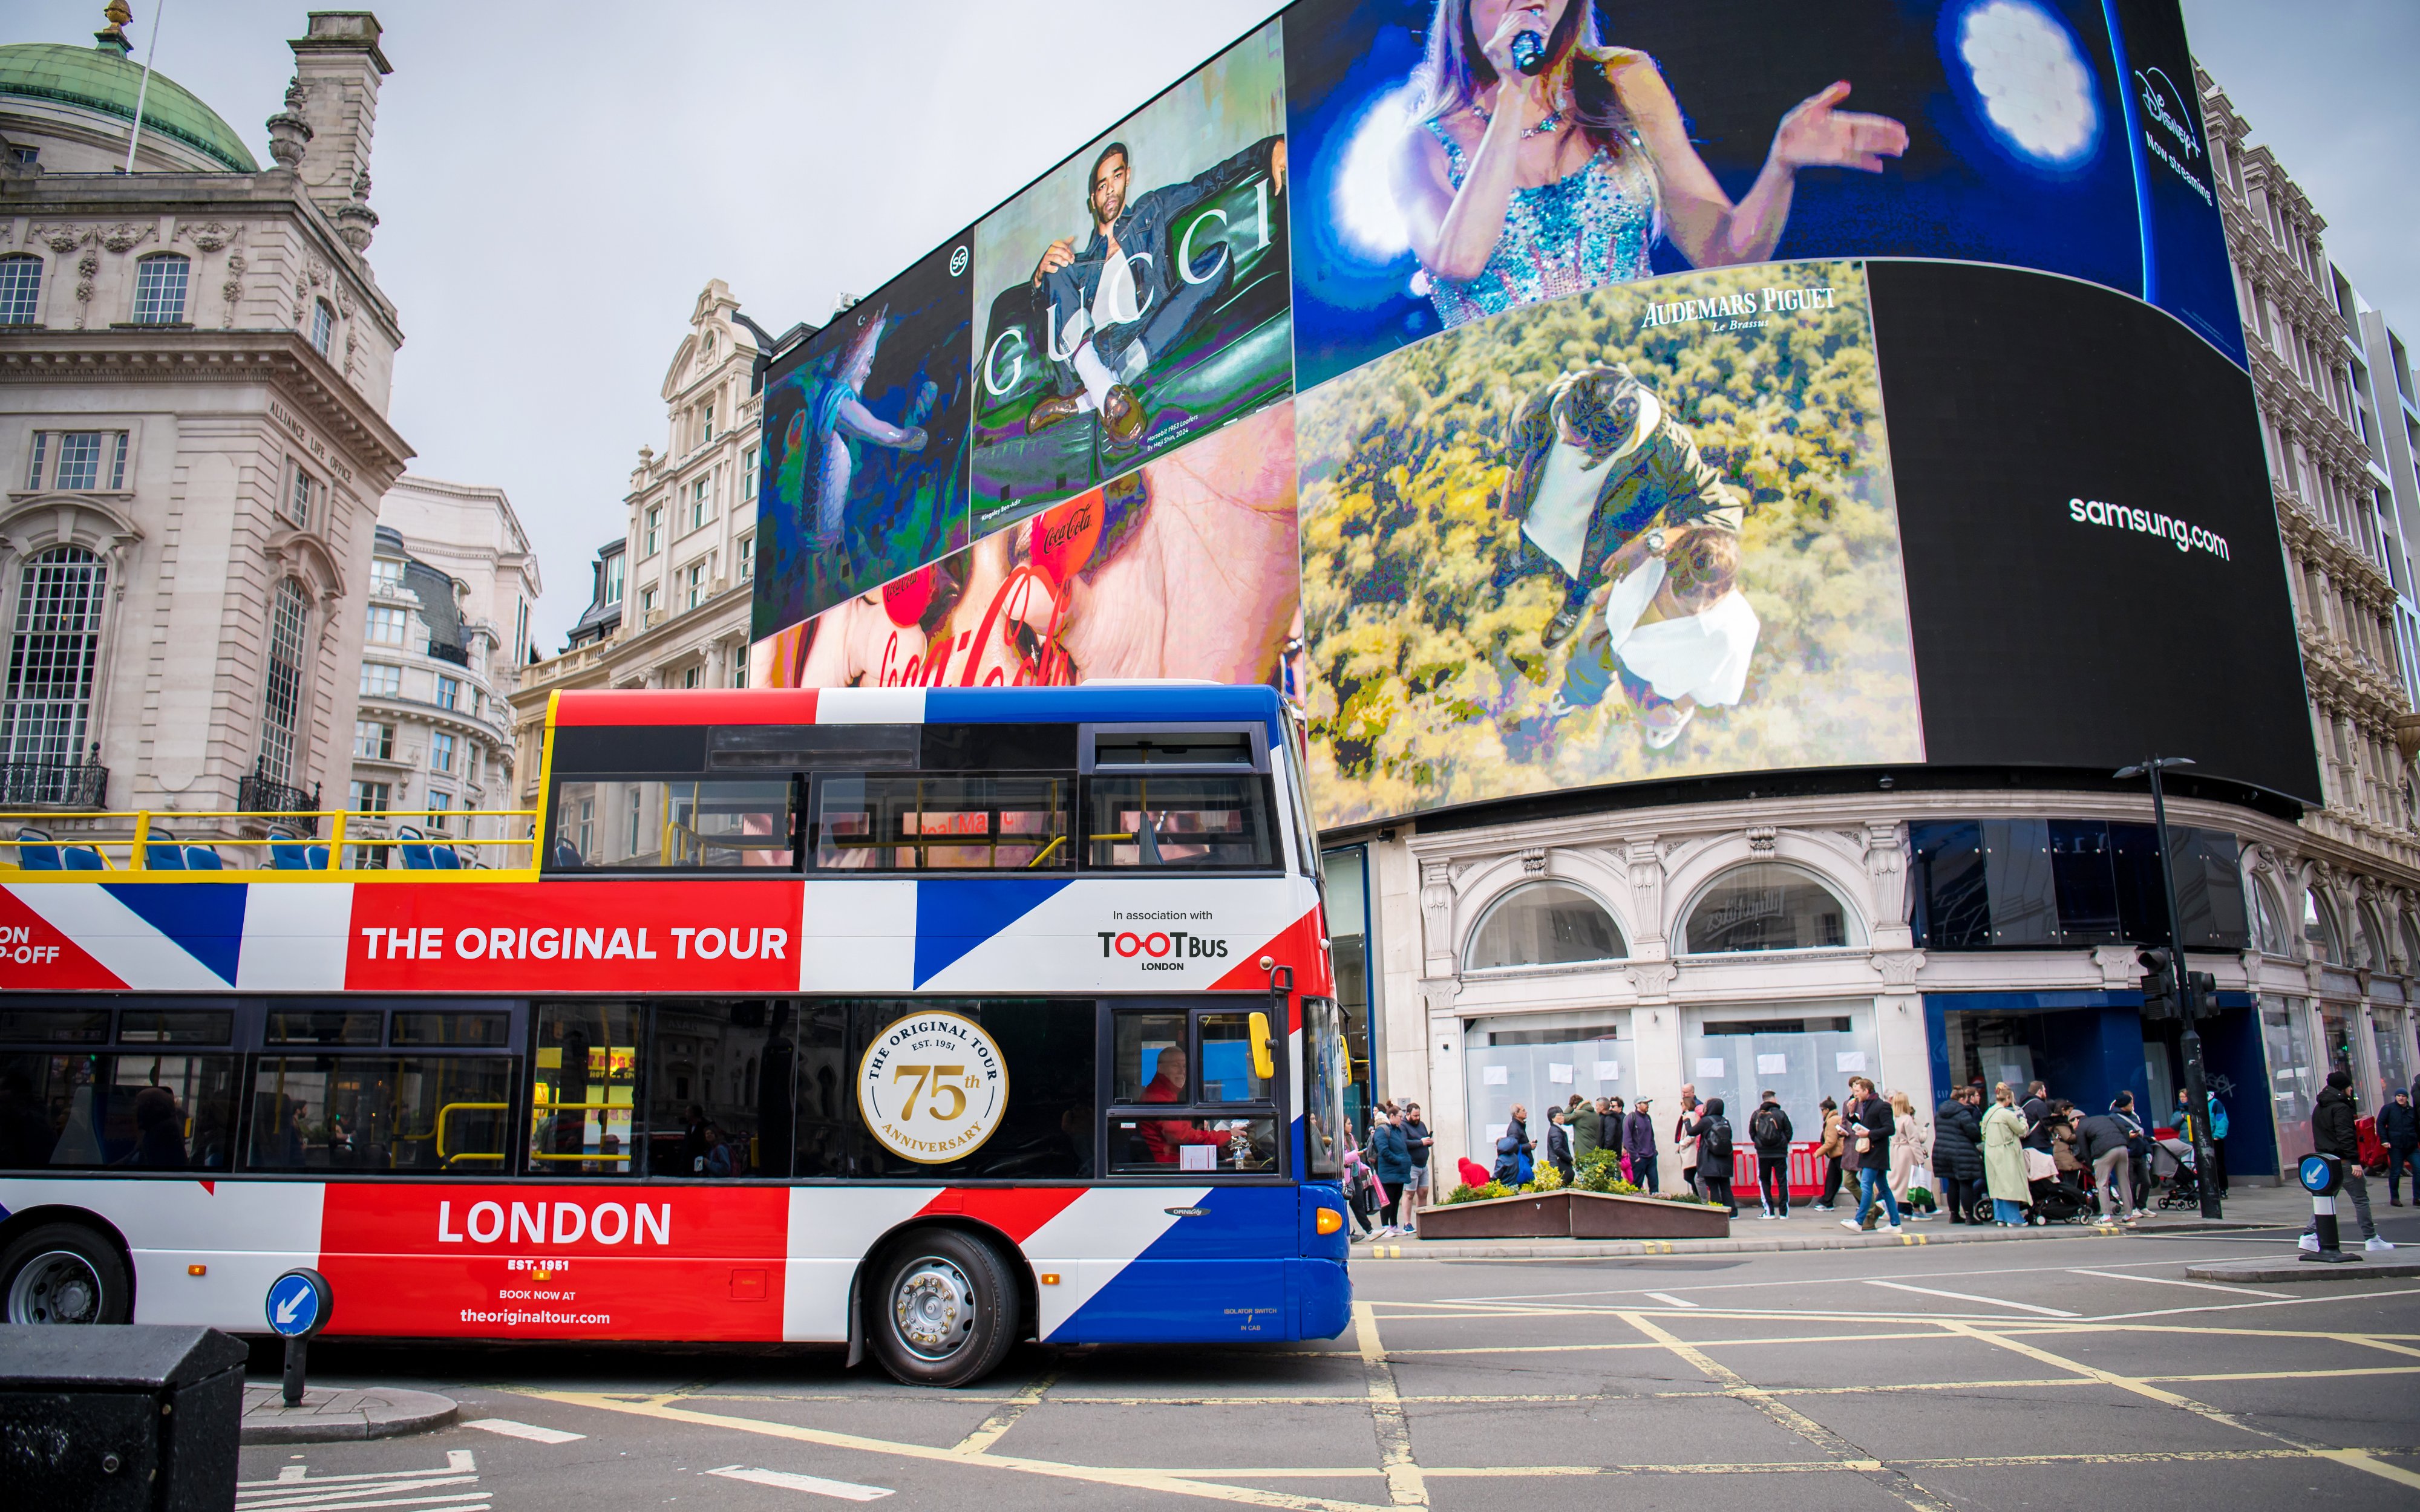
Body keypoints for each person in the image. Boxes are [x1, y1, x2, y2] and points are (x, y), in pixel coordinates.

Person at [1390, 0, 1907, 330]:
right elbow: (1458, 260)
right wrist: (1511, 98)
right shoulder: (1420, 147)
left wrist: (1781, 166)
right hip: (1507, 419)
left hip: (1636, 399)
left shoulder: (1622, 82)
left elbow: (1723, 254)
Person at [1025, 133, 1288, 446]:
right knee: (1057, 261)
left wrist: (1268, 148)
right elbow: (1045, 337)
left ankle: (1093, 394)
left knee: (1218, 261)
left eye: (1117, 176)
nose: (1110, 189)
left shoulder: (1151, 209)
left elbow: (1210, 181)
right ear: (1092, 200)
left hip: (1147, 332)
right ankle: (1100, 381)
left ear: (1128, 178)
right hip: (1090, 347)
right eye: (1101, 185)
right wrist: (1040, 278)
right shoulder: (1078, 263)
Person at [784, 309, 936, 554]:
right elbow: (877, 430)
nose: (869, 370)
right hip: (820, 536)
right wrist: (908, 438)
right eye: (868, 362)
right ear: (853, 360)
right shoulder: (837, 400)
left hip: (826, 528)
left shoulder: (828, 395)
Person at [2301, 1069, 2393, 1253]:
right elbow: (2346, 1136)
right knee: (2360, 1199)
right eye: (2350, 1086)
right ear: (2343, 1088)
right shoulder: (2341, 1108)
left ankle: (2309, 1235)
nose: (2352, 1089)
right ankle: (2371, 1238)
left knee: (2325, 1200)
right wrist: (2355, 1161)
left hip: (2326, 1160)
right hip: (2343, 1161)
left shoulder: (2319, 1107)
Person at [1137, 1044, 1234, 1167]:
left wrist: (1220, 1150)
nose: (1182, 1072)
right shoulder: (1158, 1097)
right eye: (1175, 1066)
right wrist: (1227, 1136)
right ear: (1160, 1068)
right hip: (1168, 1168)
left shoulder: (1169, 1093)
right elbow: (1181, 1136)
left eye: (1184, 1066)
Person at [1840, 1077, 1900, 1234]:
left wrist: (1870, 1133)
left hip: (1876, 1152)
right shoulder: (1866, 1105)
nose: (1856, 1094)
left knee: (1866, 1185)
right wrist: (1852, 1114)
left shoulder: (1882, 1106)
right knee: (1884, 1188)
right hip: (1871, 1151)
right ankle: (1895, 1223)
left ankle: (1859, 1221)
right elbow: (1860, 1126)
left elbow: (1890, 1129)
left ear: (1867, 1091)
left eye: (1858, 1091)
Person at [2076, 1095, 2140, 1226]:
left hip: (2104, 1151)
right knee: (2125, 1182)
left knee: (2102, 1184)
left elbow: (2084, 1150)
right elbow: (2123, 1129)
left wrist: (2091, 1166)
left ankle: (2106, 1217)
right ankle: (2129, 1216)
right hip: (2122, 1148)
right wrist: (2124, 1143)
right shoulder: (2107, 1117)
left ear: (2076, 1120)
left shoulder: (2081, 1127)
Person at [1981, 1083, 2033, 1227]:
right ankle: (2014, 1219)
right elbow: (2021, 1130)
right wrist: (2023, 1120)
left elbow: (1983, 1133)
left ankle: (2001, 1218)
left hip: (1991, 1152)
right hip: (2006, 1151)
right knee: (2011, 1185)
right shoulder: (2007, 1114)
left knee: (1997, 1185)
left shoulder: (1989, 1113)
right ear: (2009, 1098)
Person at [1933, 1086, 1985, 1224]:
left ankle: (1954, 1215)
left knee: (1952, 1183)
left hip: (1943, 1151)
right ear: (1962, 1099)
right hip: (1961, 1152)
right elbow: (1973, 1133)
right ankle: (1969, 1216)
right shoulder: (1963, 1113)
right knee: (1965, 1183)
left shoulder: (1940, 1112)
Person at [1748, 1089, 1793, 1219]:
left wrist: (1760, 1144)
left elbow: (1752, 1133)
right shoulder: (1781, 1114)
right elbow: (1789, 1132)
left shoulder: (1756, 1115)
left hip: (1763, 1154)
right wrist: (1783, 1143)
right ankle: (1784, 1212)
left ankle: (1769, 1211)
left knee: (1765, 1181)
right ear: (1774, 1100)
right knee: (1782, 1181)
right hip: (1780, 1153)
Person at [1369, 1109, 1413, 1236]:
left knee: (1396, 1198)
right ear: (1392, 1116)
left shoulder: (1397, 1130)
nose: (1402, 1119)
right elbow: (1384, 1150)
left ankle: (1393, 1225)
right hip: (1389, 1171)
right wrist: (1398, 1160)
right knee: (1387, 1200)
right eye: (1400, 1116)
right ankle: (1385, 1226)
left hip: (1399, 1171)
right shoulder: (1382, 1130)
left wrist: (1406, 1160)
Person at [1691, 1097, 1737, 1216]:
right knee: (1726, 1186)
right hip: (1725, 1159)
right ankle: (1733, 1212)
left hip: (1709, 1158)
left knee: (1713, 1187)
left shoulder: (1706, 1121)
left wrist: (1686, 1120)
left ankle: (1717, 1211)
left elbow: (1692, 1132)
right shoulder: (1725, 1120)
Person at [1886, 1089, 1926, 1219]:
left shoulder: (1893, 1119)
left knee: (1897, 1180)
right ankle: (1917, 1211)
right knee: (1913, 1182)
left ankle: (1897, 1208)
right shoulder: (1907, 1119)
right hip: (1906, 1152)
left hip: (1894, 1151)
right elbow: (1914, 1140)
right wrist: (1920, 1159)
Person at [2382, 1087, 2419, 1207]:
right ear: (2395, 1097)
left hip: (2411, 1146)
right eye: (2398, 1096)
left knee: (2419, 1169)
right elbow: (2380, 1124)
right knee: (2396, 1172)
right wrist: (2384, 1140)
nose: (2401, 1098)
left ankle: (2417, 1197)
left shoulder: (2412, 1111)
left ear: (2407, 1098)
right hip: (2396, 1146)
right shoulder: (2389, 1109)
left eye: (2403, 1096)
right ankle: (2394, 1198)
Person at [1402, 1101, 1434, 1224]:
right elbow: (1404, 1143)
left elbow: (1424, 1139)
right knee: (1409, 1194)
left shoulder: (1421, 1125)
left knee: (1423, 1192)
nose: (1417, 1118)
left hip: (1423, 1165)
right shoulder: (1403, 1126)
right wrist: (1421, 1142)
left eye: (1419, 1115)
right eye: (1415, 1116)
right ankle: (1407, 1223)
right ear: (1408, 1114)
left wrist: (1428, 1142)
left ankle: (1422, 1222)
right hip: (1412, 1165)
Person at [1494, 1105, 1536, 1187]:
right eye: (1523, 1110)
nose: (1526, 1112)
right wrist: (1528, 1146)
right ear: (1517, 1114)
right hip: (1520, 1167)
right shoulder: (1514, 1128)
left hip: (1523, 1163)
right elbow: (1512, 1146)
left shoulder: (1519, 1126)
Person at [1814, 1097, 1845, 1210]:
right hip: (1836, 1153)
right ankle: (1827, 1201)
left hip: (1839, 1153)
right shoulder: (1835, 1119)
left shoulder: (1832, 1120)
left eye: (1822, 1110)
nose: (1822, 1113)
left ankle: (1865, 1203)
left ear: (1827, 1110)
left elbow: (1831, 1141)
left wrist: (1819, 1152)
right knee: (1833, 1178)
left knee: (1849, 1180)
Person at [1623, 1097, 1659, 1192]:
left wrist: (1654, 1151)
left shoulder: (1648, 1118)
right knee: (1637, 1184)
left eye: (1648, 1103)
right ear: (1638, 1105)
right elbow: (1627, 1139)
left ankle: (1655, 1204)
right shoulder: (1631, 1118)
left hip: (1651, 1156)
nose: (1647, 1105)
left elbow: (1651, 1136)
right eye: (1645, 1103)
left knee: (1654, 1183)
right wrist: (1635, 1156)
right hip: (1639, 1157)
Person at [1673, 1084, 1701, 1196]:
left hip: (1692, 1151)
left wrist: (1682, 1143)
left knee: (1690, 1175)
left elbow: (1692, 1133)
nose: (1681, 1105)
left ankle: (1699, 1197)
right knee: (1690, 1176)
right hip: (1688, 1150)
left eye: (1682, 1104)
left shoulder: (1691, 1115)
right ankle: (1697, 1196)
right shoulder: (1686, 1115)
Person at [2020, 1080, 2055, 1155]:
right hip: (2041, 1145)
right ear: (2040, 1091)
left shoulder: (2023, 1105)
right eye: (2044, 1090)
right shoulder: (2040, 1104)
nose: (2046, 1093)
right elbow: (2047, 1124)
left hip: (2025, 1145)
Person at [1545, 1106, 1574, 1185]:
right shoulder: (1556, 1131)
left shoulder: (1557, 1129)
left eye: (1563, 1115)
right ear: (1553, 1118)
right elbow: (1558, 1149)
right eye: (1560, 1116)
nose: (1562, 1118)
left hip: (1558, 1163)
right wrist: (1570, 1159)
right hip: (1559, 1165)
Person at [1567, 1093, 1600, 1164]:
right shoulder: (1595, 1114)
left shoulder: (1579, 1114)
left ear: (1576, 1105)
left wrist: (1571, 1107)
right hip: (1594, 1150)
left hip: (1582, 1152)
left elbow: (1564, 1118)